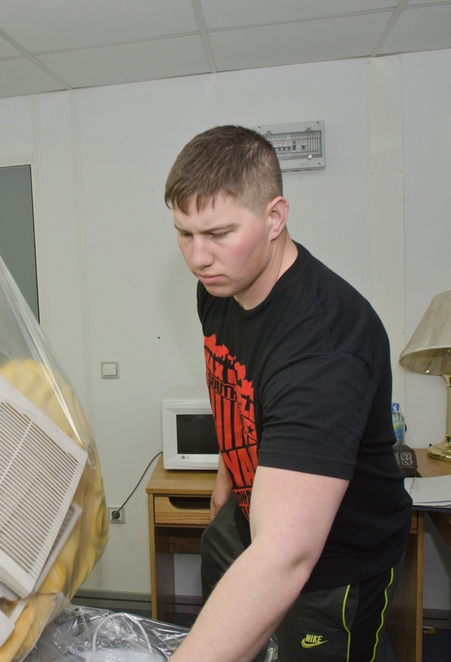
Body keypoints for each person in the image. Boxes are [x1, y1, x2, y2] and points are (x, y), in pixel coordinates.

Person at [163, 126, 412, 662]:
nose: (198, 257)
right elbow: (240, 385)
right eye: (185, 234)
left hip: (333, 562)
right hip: (248, 517)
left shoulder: (326, 346)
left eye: (219, 232)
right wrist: (227, 474)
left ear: (276, 217)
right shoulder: (220, 287)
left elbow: (285, 556)